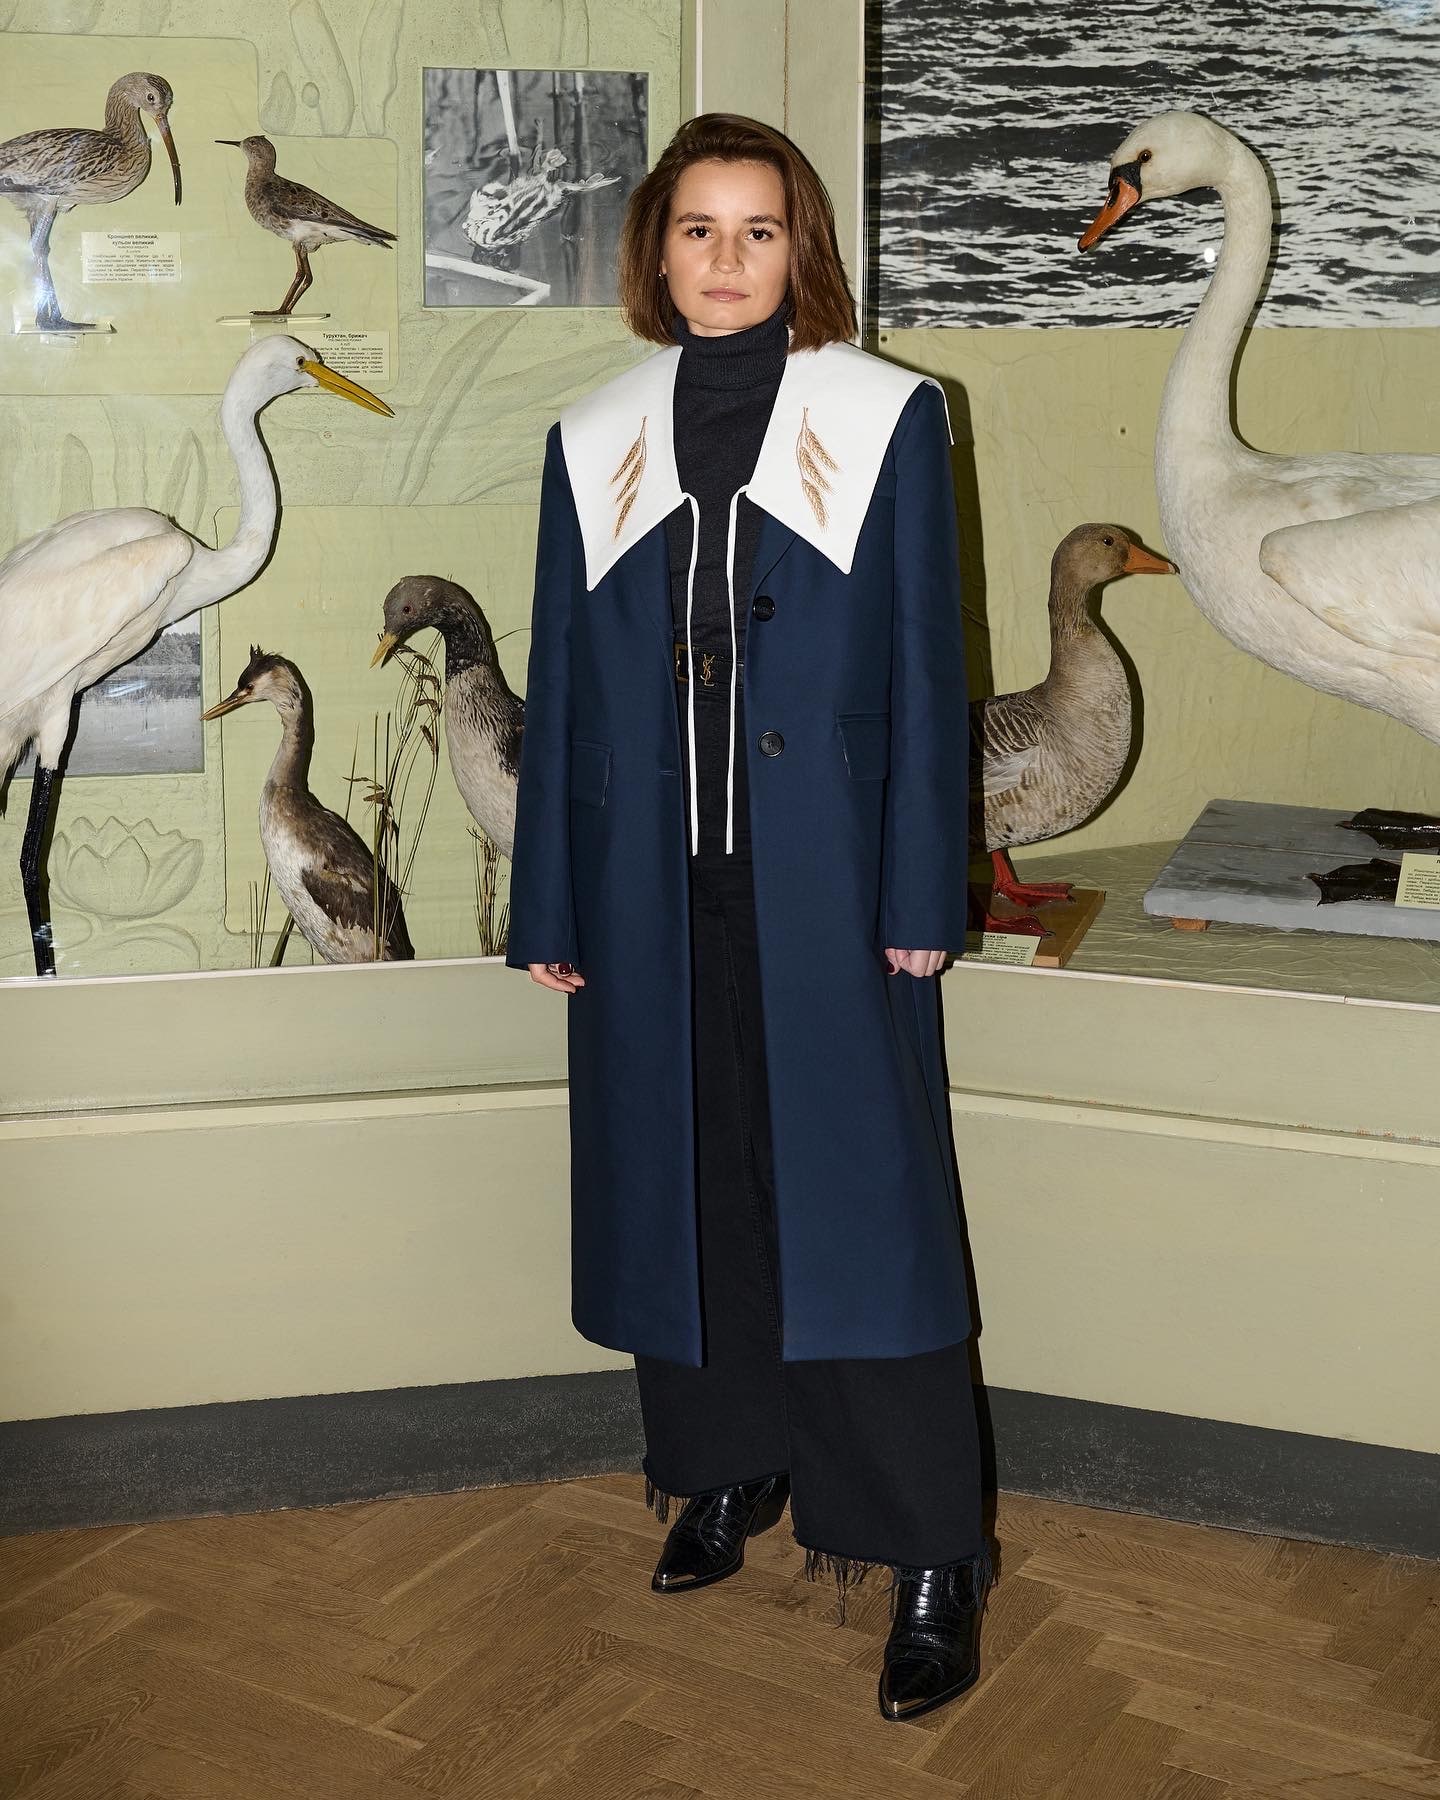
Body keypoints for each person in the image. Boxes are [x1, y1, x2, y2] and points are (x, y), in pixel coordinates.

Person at [505, 112, 990, 1721]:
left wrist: (921, 889)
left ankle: (927, 1552)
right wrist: (550, 898)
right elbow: (563, 684)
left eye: (758, 230)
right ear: (656, 248)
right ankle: (722, 1463)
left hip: (833, 891)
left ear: (802, 250)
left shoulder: (886, 415)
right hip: (649, 889)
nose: (726, 259)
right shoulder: (593, 434)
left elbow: (928, 668)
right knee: (686, 1183)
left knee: (866, 1221)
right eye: (698, 229)